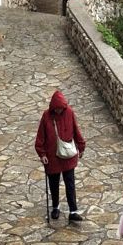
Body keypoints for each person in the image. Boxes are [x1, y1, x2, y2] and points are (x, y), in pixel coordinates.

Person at [35, 90, 86, 223]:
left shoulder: (69, 112)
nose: (58, 111)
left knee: (70, 183)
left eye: (60, 109)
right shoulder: (46, 116)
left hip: (68, 155)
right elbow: (40, 137)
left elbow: (75, 130)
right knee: (54, 183)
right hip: (52, 157)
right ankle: (56, 207)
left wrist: (81, 146)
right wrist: (42, 154)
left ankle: (73, 210)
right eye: (56, 109)